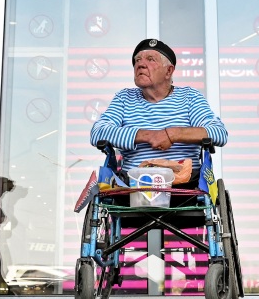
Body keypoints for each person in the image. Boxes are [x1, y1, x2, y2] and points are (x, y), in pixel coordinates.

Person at [89, 38, 228, 193]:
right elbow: (98, 132)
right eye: (137, 60)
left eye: (150, 59)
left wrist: (171, 134)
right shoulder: (124, 98)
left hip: (185, 185)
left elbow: (219, 132)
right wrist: (147, 135)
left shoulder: (190, 97)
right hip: (134, 185)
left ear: (168, 71)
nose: (140, 64)